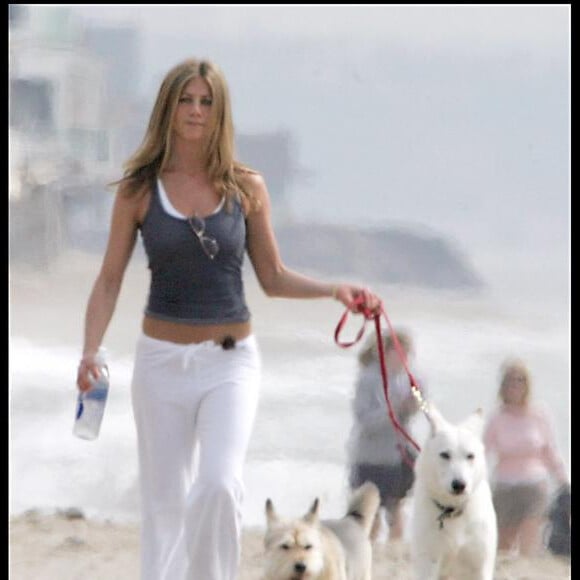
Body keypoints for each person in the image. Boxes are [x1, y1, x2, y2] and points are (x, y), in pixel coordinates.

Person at [75, 57, 382, 580]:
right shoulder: (140, 189)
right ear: (168, 108)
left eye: (207, 102)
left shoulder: (246, 188)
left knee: (218, 484)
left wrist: (336, 291)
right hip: (161, 363)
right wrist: (90, 352)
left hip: (230, 362)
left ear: (221, 113)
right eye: (186, 100)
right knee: (165, 502)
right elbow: (109, 281)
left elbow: (274, 276)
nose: (196, 111)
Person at [346, 328, 426, 542]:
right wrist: (393, 409)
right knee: (369, 511)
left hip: (398, 454)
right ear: (385, 352)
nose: (404, 359)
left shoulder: (409, 378)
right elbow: (364, 419)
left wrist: (416, 401)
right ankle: (369, 548)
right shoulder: (369, 378)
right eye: (399, 352)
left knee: (396, 506)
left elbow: (421, 406)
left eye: (407, 354)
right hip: (369, 455)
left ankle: (394, 549)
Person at [483, 358, 569, 557]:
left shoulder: (539, 415)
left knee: (529, 545)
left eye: (520, 380)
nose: (515, 386)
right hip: (504, 486)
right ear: (503, 386)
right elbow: (483, 453)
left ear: (527, 385)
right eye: (511, 381)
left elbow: (550, 452)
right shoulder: (497, 418)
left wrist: (564, 480)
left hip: (534, 486)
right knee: (502, 547)